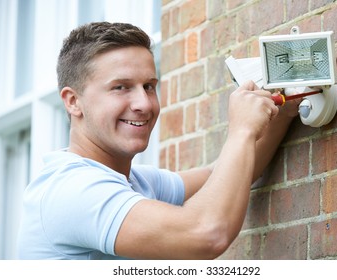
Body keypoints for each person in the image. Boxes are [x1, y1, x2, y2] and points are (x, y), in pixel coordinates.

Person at [17, 22, 299, 260]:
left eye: (149, 86)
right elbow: (207, 233)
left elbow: (227, 174)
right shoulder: (72, 190)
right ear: (73, 101)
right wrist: (241, 131)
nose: (144, 103)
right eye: (121, 87)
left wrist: (285, 109)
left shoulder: (137, 182)